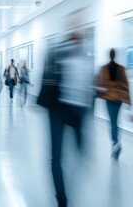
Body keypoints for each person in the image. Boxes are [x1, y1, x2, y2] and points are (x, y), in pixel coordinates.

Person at [37, 31, 94, 207]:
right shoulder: (60, 57)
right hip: (58, 111)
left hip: (74, 112)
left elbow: (89, 89)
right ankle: (62, 198)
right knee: (57, 158)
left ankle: (64, 192)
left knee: (74, 154)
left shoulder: (84, 61)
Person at [96, 49, 130, 159]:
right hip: (118, 98)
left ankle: (115, 143)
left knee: (113, 122)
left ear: (110, 55)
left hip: (110, 99)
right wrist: (128, 101)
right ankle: (115, 144)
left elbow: (99, 83)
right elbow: (126, 85)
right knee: (115, 122)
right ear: (114, 55)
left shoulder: (104, 68)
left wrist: (101, 92)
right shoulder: (120, 68)